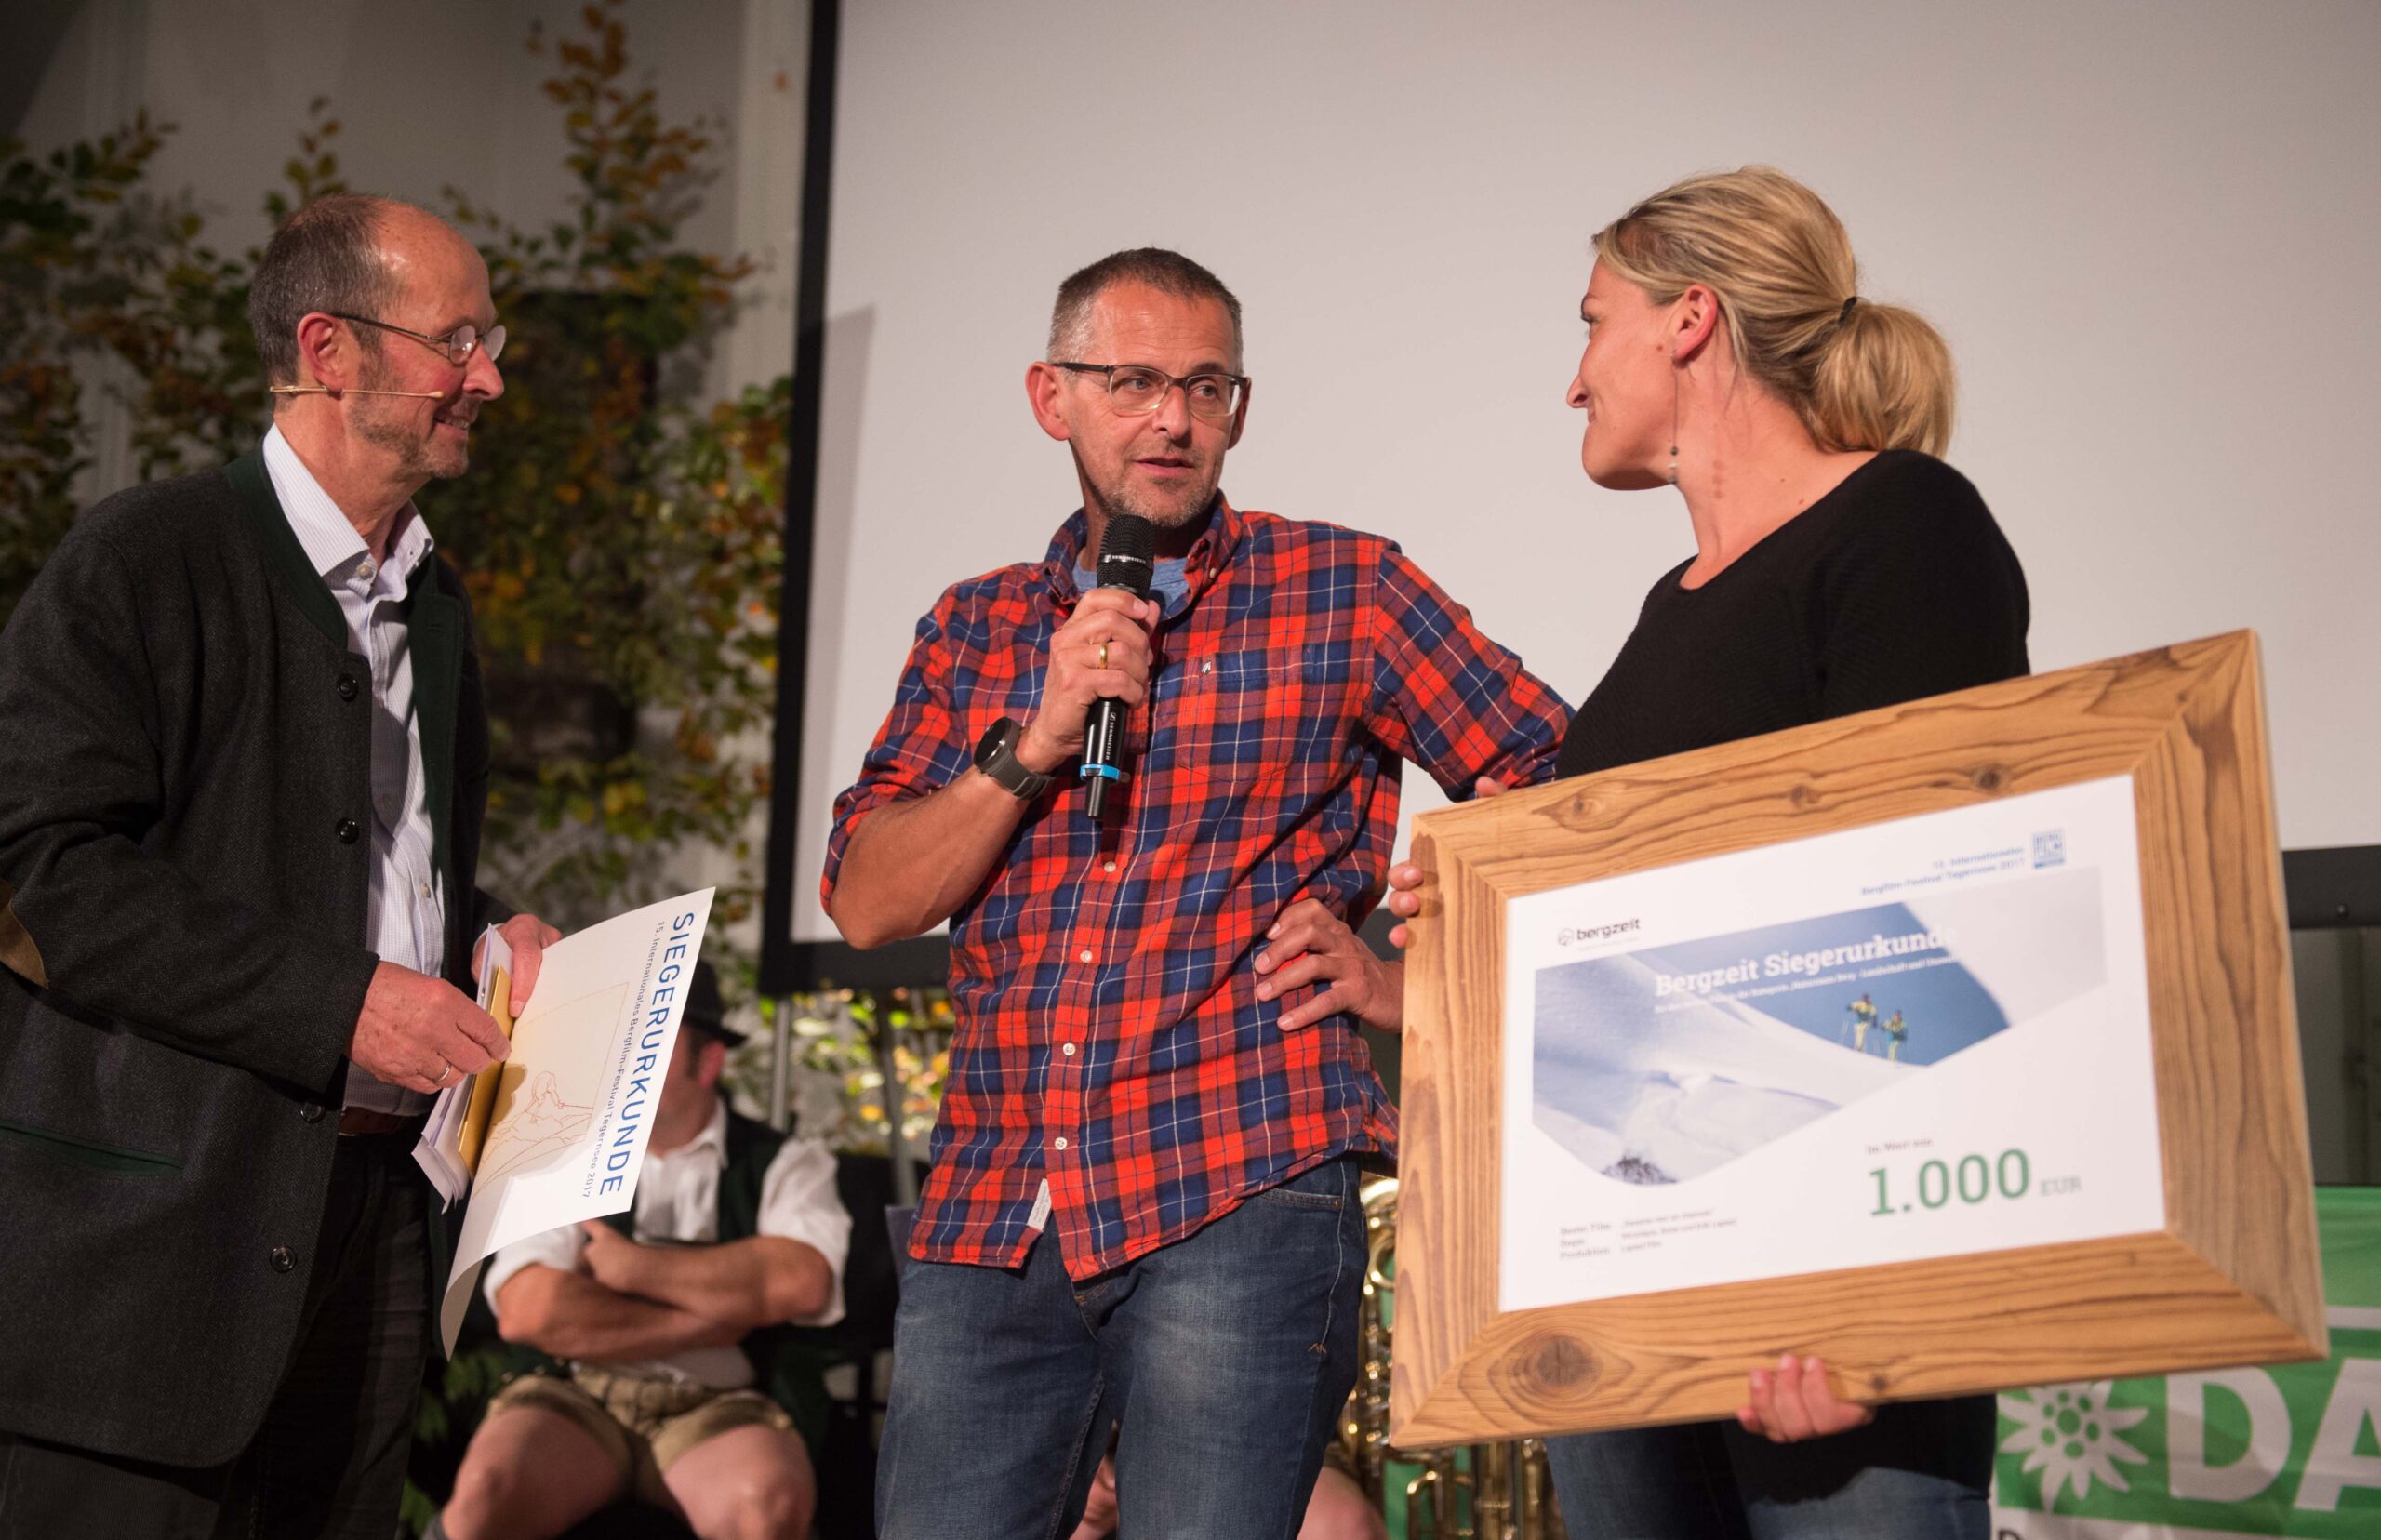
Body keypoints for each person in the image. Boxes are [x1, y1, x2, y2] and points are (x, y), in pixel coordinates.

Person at [824, 247, 1568, 1539]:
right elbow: (868, 901)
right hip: (996, 1204)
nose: (1172, 417)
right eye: (1132, 382)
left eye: (1206, 386)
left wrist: (1412, 980)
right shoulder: (976, 625)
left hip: (1242, 1183)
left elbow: (1559, 788)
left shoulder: (1343, 589)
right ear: (1052, 397)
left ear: (1239, 409)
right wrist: (1037, 737)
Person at [1382, 166, 2029, 1538]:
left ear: (1689, 320)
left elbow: (1942, 911)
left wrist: (1873, 1313)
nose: (1574, 381)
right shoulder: (1668, 610)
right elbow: (1652, 956)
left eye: (1590, 322)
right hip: (1634, 1292)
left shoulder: (1904, 524)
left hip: (1823, 1312)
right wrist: (1483, 928)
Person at [0, 192, 558, 1538]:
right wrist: (344, 1002)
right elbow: (38, 879)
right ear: (331, 349)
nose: (486, 376)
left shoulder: (437, 604)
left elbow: (384, 876)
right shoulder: (143, 558)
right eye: (458, 341)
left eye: (490, 341)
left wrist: (493, 940)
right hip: (149, 1262)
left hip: (370, 1230)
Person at [438, 961, 850, 1540]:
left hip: (721, 1406)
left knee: (766, 1508)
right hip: (575, 1394)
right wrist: (716, 1318)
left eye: (653, 1036)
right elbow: (531, 1310)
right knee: (486, 1494)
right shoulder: (563, 1150)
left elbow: (799, 1282)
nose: (630, 1054)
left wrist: (632, 1268)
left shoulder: (786, 1163)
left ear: (708, 1062)